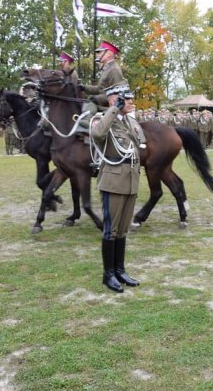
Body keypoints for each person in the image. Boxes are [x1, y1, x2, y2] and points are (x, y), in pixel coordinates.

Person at [90, 82, 142, 293]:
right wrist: (113, 109)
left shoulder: (128, 121)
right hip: (113, 180)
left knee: (122, 229)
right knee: (110, 230)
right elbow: (98, 135)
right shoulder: (104, 120)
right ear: (113, 99)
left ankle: (120, 270)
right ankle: (108, 274)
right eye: (125, 98)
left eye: (130, 98)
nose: (130, 101)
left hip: (130, 180)